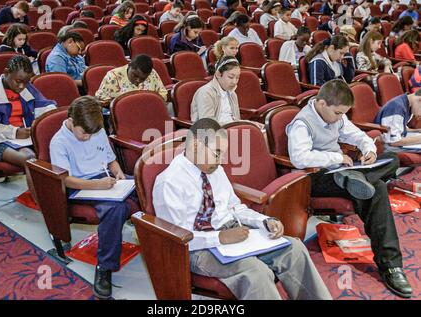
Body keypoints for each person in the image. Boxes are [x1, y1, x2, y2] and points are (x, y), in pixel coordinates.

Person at [152, 118, 333, 300]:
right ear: (197, 146)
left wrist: (263, 221)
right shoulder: (169, 182)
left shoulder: (214, 170)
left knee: (294, 248)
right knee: (256, 272)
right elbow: (176, 238)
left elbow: (235, 207)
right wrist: (220, 237)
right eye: (217, 153)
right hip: (199, 248)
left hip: (232, 232)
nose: (221, 161)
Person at [286, 79, 412, 299]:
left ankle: (357, 176)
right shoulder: (302, 123)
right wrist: (336, 157)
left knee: (389, 161)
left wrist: (368, 149)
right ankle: (391, 266)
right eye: (337, 113)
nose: (339, 118)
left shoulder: (336, 115)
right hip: (316, 177)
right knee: (378, 187)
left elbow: (358, 136)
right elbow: (299, 158)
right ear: (321, 103)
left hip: (342, 172)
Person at [49, 95, 132, 300]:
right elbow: (66, 179)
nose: (87, 137)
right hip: (80, 187)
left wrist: (119, 172)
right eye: (83, 133)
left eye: (90, 133)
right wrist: (97, 185)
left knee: (147, 185)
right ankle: (104, 266)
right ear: (71, 120)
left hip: (104, 180)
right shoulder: (58, 142)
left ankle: (160, 244)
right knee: (116, 209)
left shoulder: (97, 130)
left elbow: (110, 159)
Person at [0, 55, 56, 198]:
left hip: (26, 137)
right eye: (18, 81)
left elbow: (46, 106)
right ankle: (45, 203)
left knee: (55, 148)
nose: (22, 86)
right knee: (30, 158)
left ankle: (55, 195)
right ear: (6, 72)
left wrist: (39, 125)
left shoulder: (26, 87)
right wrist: (15, 132)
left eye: (26, 81)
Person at [95, 54, 167, 106]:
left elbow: (163, 94)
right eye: (135, 75)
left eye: (143, 78)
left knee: (169, 111)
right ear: (129, 66)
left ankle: (169, 127)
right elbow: (101, 101)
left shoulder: (152, 73)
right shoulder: (113, 76)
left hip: (150, 109)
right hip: (124, 113)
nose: (138, 80)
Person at [191, 56, 240, 125]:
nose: (234, 82)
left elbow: (237, 120)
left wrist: (251, 124)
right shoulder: (206, 93)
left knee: (256, 131)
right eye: (231, 77)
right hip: (211, 132)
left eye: (237, 78)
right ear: (218, 74)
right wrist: (232, 128)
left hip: (232, 130)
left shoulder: (232, 94)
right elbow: (207, 124)